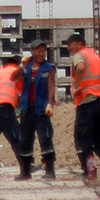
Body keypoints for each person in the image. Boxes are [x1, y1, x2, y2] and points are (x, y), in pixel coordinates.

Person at [64, 31, 100, 180]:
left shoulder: (79, 55)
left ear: (79, 44)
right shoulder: (93, 56)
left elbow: (81, 69)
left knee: (82, 136)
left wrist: (77, 86)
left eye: (71, 44)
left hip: (87, 100)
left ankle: (89, 169)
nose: (69, 47)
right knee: (96, 137)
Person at [0, 54, 32, 179]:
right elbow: (21, 90)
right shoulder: (18, 72)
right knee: (15, 136)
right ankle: (25, 165)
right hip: (4, 106)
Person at [19, 41, 59, 179]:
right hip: (26, 109)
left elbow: (51, 86)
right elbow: (14, 78)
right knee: (25, 140)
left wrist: (50, 103)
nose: (42, 54)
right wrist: (20, 66)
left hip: (41, 110)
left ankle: (50, 171)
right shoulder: (26, 67)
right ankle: (25, 172)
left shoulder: (49, 68)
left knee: (45, 138)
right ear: (32, 52)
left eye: (44, 51)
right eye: (39, 51)